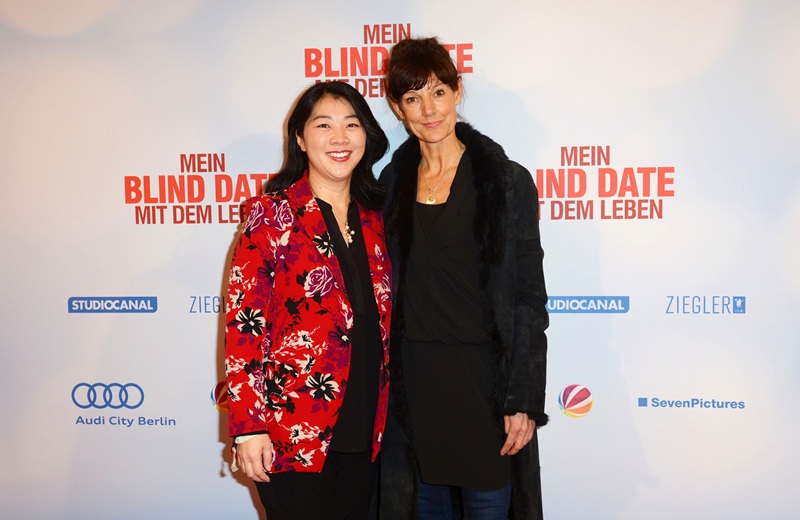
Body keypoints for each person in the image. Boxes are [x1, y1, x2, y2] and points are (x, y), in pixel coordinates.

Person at [378, 37, 549, 520]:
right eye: (413, 98)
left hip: (484, 390)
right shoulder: (387, 187)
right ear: (397, 108)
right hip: (416, 390)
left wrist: (523, 398)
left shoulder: (506, 182)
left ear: (457, 91)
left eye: (438, 92)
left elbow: (528, 299)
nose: (428, 109)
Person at [224, 81, 392, 520]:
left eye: (352, 125)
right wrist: (248, 428)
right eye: (324, 125)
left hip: (367, 431)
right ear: (300, 138)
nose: (340, 138)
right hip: (293, 430)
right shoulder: (272, 214)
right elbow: (244, 327)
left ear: (366, 135)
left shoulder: (377, 218)